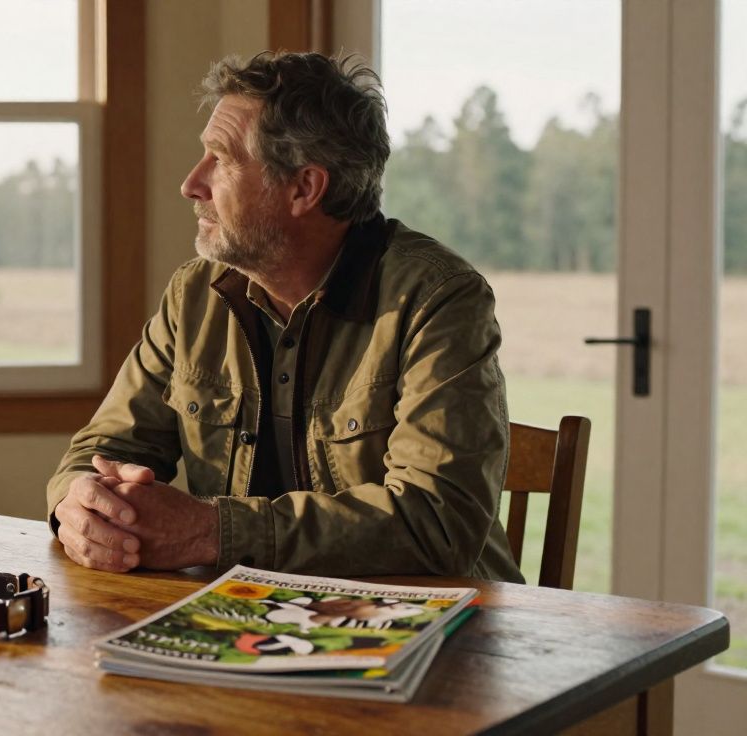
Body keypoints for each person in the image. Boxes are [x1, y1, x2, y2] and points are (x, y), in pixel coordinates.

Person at [46, 51, 524, 583]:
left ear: (304, 188)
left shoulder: (437, 299)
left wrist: (211, 531)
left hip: (433, 631)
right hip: (249, 622)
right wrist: (81, 502)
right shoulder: (194, 294)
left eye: (221, 160)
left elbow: (437, 528)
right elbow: (102, 450)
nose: (191, 184)